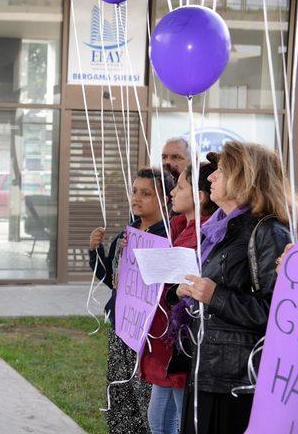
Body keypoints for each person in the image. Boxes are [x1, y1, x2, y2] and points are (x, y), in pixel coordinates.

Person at [171, 142, 292, 434]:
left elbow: (278, 314)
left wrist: (215, 296)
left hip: (235, 382)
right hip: (205, 368)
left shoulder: (268, 232)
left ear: (245, 178)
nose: (211, 177)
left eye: (220, 171)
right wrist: (184, 291)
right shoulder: (219, 229)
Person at [89, 168, 174, 434]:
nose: (136, 198)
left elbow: (162, 287)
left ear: (163, 199)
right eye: (134, 191)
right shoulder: (130, 231)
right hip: (120, 327)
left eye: (146, 193)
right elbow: (111, 280)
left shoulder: (167, 237)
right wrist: (96, 252)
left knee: (146, 402)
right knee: (120, 400)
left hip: (147, 335)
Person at [142, 161, 217, 434]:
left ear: (199, 196)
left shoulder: (204, 234)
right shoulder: (175, 226)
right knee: (159, 419)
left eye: (181, 187)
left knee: (172, 420)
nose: (173, 193)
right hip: (164, 337)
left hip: (182, 341)